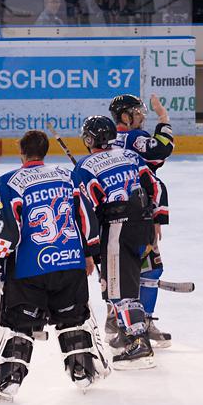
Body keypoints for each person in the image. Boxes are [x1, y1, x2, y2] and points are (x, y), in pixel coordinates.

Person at [0, 130, 109, 400]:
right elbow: (87, 218)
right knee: (72, 319)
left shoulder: (7, 183)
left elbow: (6, 231)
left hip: (29, 269)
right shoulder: (68, 176)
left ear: (21, 152)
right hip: (70, 264)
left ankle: (9, 380)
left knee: (19, 325)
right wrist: (90, 253)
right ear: (45, 151)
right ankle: (82, 372)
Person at [72, 115, 160, 369]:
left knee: (119, 290)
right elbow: (154, 187)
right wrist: (150, 216)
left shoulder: (85, 166)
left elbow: (86, 211)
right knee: (122, 282)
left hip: (117, 228)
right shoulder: (131, 156)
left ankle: (137, 342)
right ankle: (127, 331)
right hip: (143, 225)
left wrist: (89, 247)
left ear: (89, 139)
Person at [108, 93, 173, 349]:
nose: (142, 116)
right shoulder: (135, 137)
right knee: (150, 269)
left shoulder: (109, 140)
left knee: (118, 272)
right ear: (125, 116)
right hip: (140, 214)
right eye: (137, 112)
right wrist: (164, 118)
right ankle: (140, 323)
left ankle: (118, 320)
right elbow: (160, 152)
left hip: (114, 215)